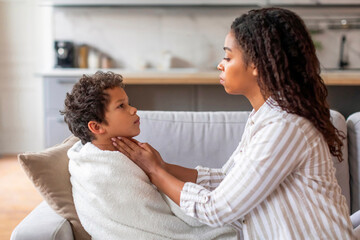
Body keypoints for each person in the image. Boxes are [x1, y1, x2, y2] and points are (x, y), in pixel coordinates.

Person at [111, 8, 356, 239]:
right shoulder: (264, 117)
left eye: (228, 56)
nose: (220, 64)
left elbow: (218, 209)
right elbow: (227, 179)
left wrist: (156, 173)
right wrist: (162, 165)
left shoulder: (286, 126)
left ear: (257, 66)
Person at [61, 71, 237, 240]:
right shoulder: (100, 170)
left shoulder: (128, 155)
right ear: (97, 127)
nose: (133, 109)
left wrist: (159, 167)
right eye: (121, 106)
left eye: (128, 103)